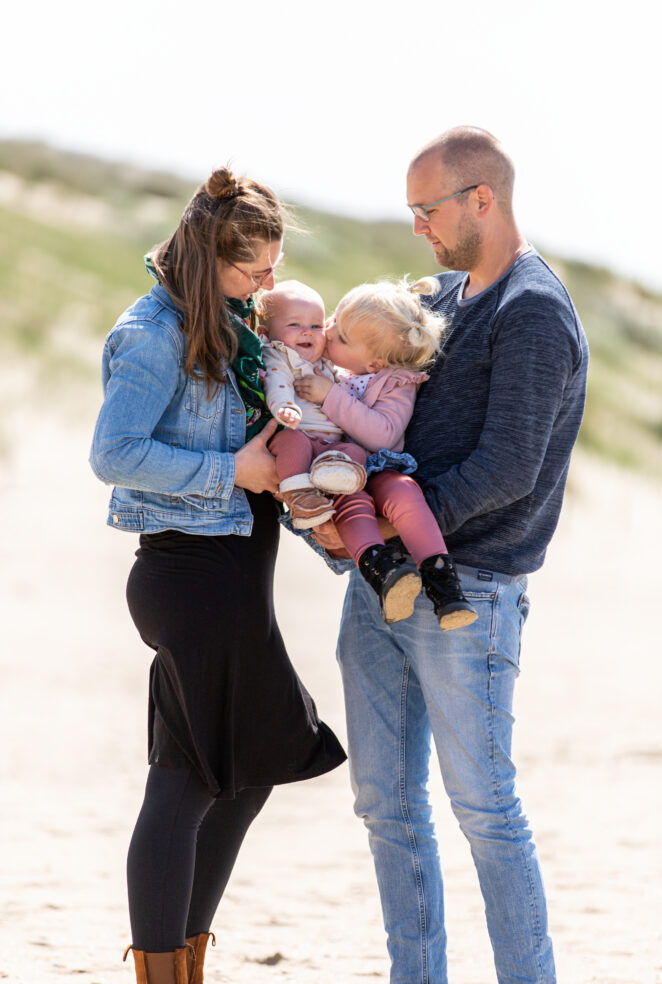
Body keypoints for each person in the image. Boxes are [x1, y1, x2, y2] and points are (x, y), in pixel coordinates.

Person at [324, 127, 589, 984]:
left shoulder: (534, 311)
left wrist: (399, 529)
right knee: (386, 807)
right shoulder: (438, 296)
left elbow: (508, 466)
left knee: (483, 810)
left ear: (483, 200)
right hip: (381, 589)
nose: (414, 229)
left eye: (425, 209)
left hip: (467, 592)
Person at [89, 167, 346, 984]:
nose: (267, 284)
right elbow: (114, 454)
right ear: (205, 257)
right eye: (253, 270)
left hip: (234, 578)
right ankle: (164, 970)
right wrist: (227, 470)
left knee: (248, 761)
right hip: (188, 575)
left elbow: (272, 455)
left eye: (272, 268)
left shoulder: (231, 322)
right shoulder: (151, 333)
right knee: (191, 776)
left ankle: (184, 960)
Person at [259, 278, 477, 629]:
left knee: (405, 493)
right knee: (353, 507)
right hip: (345, 472)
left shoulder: (394, 383)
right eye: (331, 321)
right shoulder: (335, 369)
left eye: (340, 336)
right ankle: (383, 573)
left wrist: (330, 396)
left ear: (375, 363)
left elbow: (383, 434)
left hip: (379, 467)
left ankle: (443, 581)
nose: (327, 332)